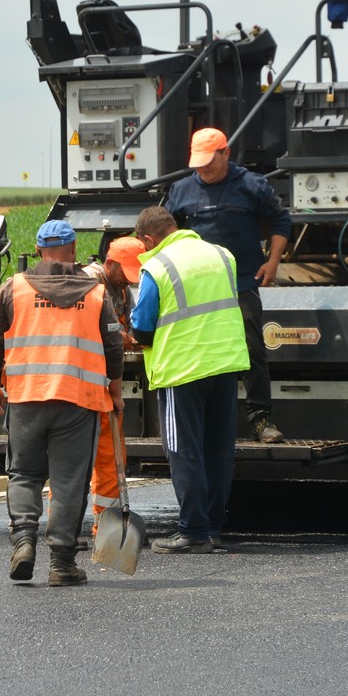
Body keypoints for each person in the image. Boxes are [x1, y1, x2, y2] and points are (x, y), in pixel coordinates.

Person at [0, 219, 124, 586]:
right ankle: (61, 565)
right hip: (79, 402)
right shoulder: (95, 292)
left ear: (39, 250)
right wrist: (117, 392)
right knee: (69, 482)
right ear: (74, 249)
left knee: (25, 473)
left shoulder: (14, 288)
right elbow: (113, 345)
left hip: (27, 397)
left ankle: (24, 542)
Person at [129, 205, 249, 553]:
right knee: (218, 451)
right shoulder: (222, 255)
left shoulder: (157, 266)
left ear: (149, 238)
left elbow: (142, 327)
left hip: (182, 369)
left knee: (184, 452)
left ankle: (192, 531)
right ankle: (212, 529)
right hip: (225, 364)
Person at [163, 126, 293, 443]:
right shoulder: (180, 191)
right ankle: (203, 421)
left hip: (241, 284)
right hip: (195, 289)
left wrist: (273, 261)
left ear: (226, 153)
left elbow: (281, 220)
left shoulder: (252, 186)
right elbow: (165, 231)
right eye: (199, 163)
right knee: (197, 351)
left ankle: (261, 420)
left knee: (250, 351)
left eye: (210, 161)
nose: (204, 168)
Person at [80, 236, 146, 535]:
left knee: (109, 458)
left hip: (102, 383)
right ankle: (66, 528)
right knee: (77, 458)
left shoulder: (119, 288)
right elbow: (103, 331)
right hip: (86, 382)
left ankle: (102, 527)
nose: (127, 282)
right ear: (109, 264)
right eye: (125, 273)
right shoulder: (88, 283)